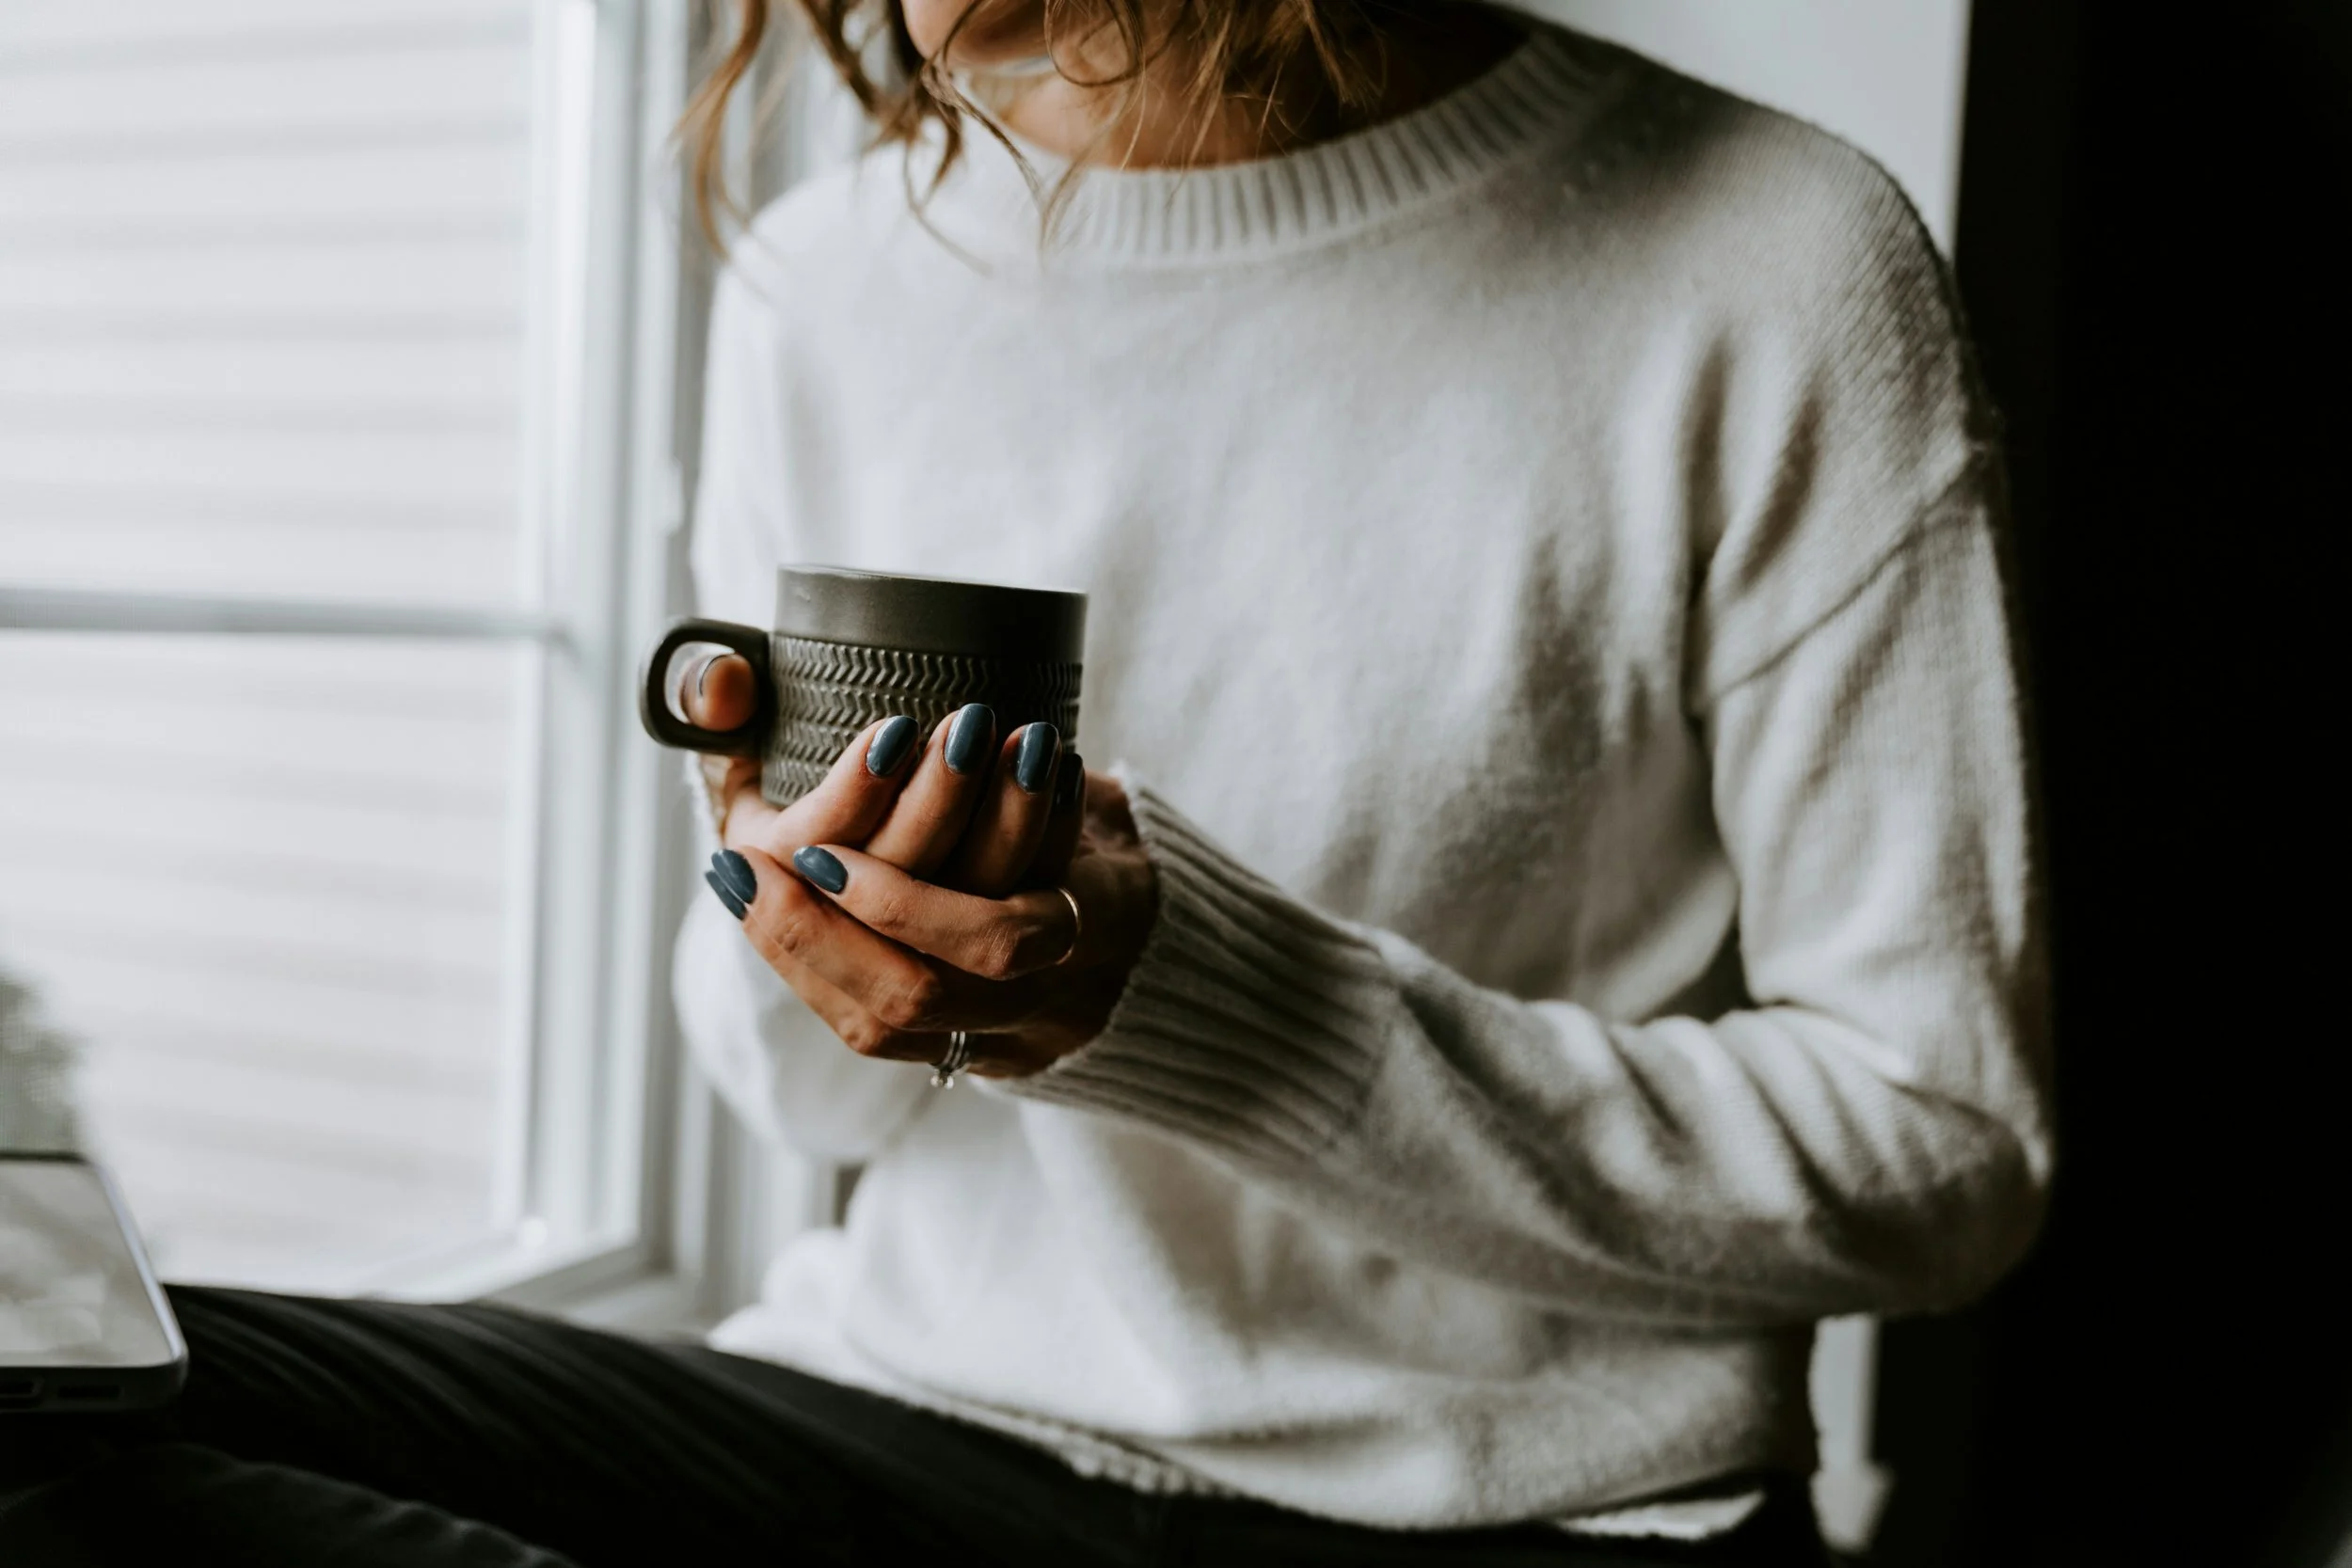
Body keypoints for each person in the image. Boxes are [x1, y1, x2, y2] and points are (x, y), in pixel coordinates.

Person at [0, 0, 2048, 1562]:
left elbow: (1938, 1149)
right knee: (52, 1397)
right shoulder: (834, 280)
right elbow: (801, 1095)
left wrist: (1191, 1006)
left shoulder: (1768, 258)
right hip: (917, 1422)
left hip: (1535, 1509)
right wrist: (813, 929)